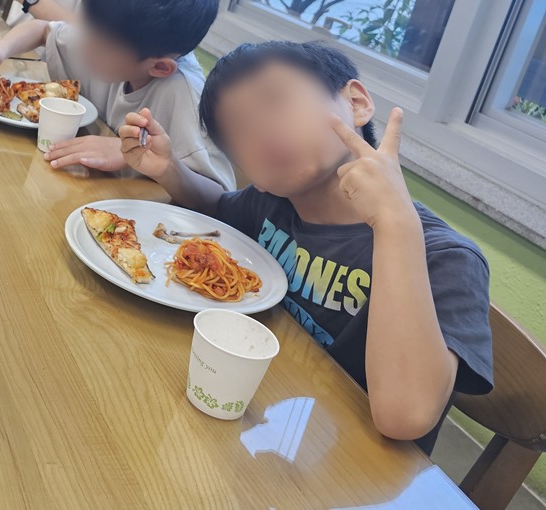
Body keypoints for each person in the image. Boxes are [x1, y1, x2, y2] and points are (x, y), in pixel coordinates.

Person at [117, 41, 493, 451]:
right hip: (264, 414)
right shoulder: (272, 204)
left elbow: (406, 417)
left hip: (353, 461)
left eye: (276, 99)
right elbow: (217, 207)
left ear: (356, 103)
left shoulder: (445, 258)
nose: (261, 130)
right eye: (238, 129)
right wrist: (169, 169)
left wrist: (395, 223)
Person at [0, 0, 234, 189]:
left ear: (160, 67)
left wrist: (137, 155)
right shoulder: (104, 39)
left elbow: (219, 197)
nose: (83, 46)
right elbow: (44, 29)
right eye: (86, 28)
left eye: (99, 46)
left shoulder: (184, 95)